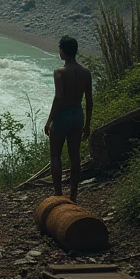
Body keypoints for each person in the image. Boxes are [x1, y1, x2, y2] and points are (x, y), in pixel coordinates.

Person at [44, 35, 92, 202]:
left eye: (60, 49)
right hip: (78, 115)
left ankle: (58, 194)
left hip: (62, 115)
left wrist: (49, 121)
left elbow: (58, 97)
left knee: (55, 156)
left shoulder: (59, 72)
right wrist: (87, 125)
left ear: (63, 51)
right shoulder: (86, 73)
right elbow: (90, 101)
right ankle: (73, 196)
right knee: (75, 156)